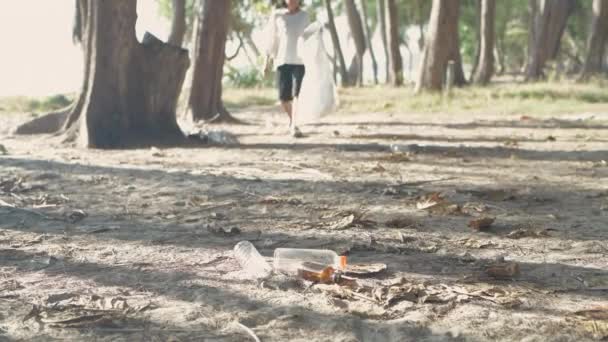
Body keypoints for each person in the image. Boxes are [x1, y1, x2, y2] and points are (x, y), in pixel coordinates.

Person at [264, 0, 311, 138]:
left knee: (297, 94)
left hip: (300, 61)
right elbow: (271, 39)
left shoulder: (304, 16)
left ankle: (294, 126)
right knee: (283, 98)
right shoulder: (277, 15)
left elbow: (309, 37)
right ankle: (292, 121)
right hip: (282, 60)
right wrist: (266, 62)